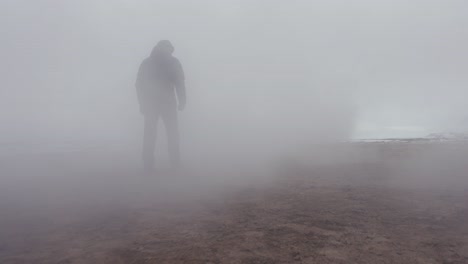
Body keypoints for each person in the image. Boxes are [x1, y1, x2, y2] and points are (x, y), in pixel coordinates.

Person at [135, 40, 186, 172]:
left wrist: (142, 103)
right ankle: (174, 164)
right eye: (168, 49)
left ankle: (149, 165)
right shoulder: (173, 62)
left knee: (153, 133)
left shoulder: (148, 63)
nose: (169, 51)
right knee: (170, 133)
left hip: (156, 103)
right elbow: (180, 83)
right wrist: (182, 101)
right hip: (163, 103)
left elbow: (139, 84)